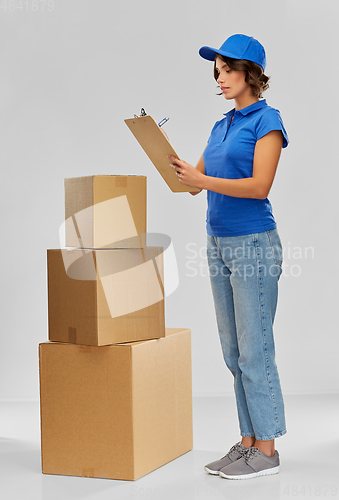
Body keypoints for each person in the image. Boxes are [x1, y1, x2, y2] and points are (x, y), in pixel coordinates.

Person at [168, 34, 289, 480]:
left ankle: (269, 450)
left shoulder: (267, 120)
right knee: (234, 349)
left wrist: (201, 176)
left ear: (249, 73)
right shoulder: (221, 125)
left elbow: (259, 187)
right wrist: (166, 156)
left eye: (226, 70)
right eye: (215, 71)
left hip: (254, 242)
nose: (219, 78)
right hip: (217, 241)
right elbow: (194, 184)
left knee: (255, 348)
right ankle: (247, 442)